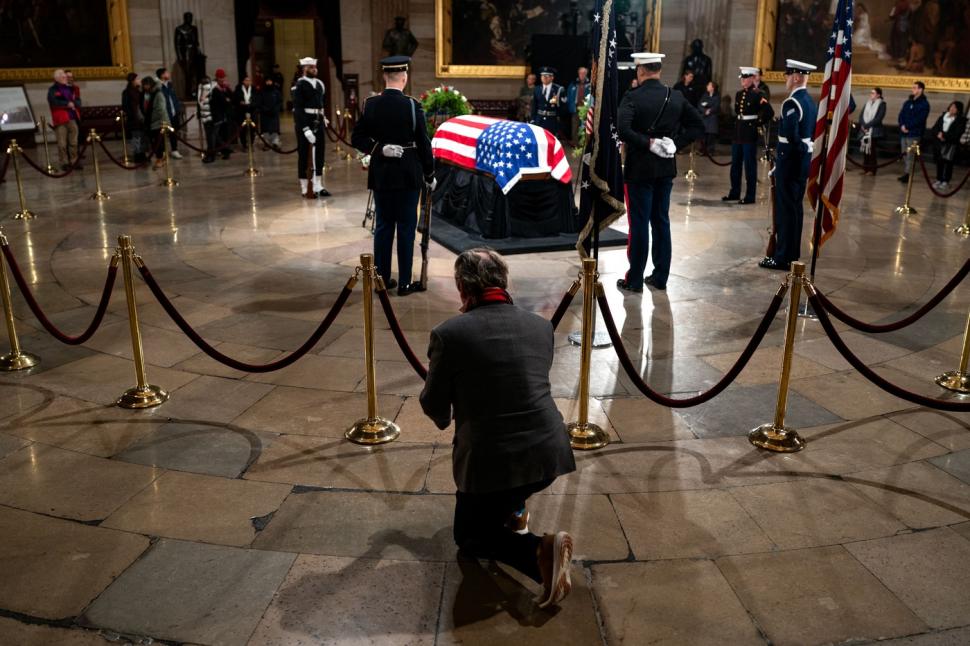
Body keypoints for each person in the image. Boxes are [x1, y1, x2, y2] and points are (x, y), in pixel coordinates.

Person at [419, 248, 576, 609]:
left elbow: (434, 404)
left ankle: (541, 551)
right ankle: (515, 508)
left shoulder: (449, 334)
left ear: (461, 287)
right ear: (505, 282)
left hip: (491, 462)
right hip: (548, 454)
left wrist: (447, 413)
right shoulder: (540, 326)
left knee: (469, 538)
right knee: (504, 489)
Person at [616, 52, 704, 293]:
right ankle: (660, 276)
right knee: (661, 222)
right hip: (665, 168)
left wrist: (647, 143)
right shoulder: (675, 96)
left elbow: (623, 129)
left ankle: (634, 279)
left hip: (639, 169)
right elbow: (698, 125)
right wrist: (675, 143)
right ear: (659, 70)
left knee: (639, 224)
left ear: (640, 70)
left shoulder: (632, 97)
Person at [351, 55, 434, 295]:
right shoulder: (412, 105)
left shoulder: (371, 104)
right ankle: (405, 283)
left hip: (382, 174)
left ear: (384, 76)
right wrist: (430, 173)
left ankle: (382, 280)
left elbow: (357, 138)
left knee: (384, 226)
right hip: (409, 174)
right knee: (407, 228)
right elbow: (423, 143)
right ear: (404, 77)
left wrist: (379, 149)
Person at [759, 60, 818, 271]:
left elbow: (792, 138)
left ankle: (782, 257)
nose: (785, 79)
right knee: (794, 210)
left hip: (791, 163)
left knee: (785, 211)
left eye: (787, 75)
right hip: (801, 163)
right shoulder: (810, 101)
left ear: (796, 77)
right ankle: (791, 254)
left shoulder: (792, 103)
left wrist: (781, 164)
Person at [723, 66, 773, 205]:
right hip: (738, 132)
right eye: (742, 78)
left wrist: (758, 123)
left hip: (749, 133)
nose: (743, 81)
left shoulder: (759, 94)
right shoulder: (739, 94)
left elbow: (769, 112)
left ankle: (750, 196)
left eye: (745, 78)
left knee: (749, 165)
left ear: (752, 78)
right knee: (735, 165)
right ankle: (734, 192)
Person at [292, 56, 330, 198]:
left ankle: (318, 184)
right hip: (305, 121)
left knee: (319, 153)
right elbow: (298, 109)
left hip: (318, 120)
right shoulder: (299, 85)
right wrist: (305, 128)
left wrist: (323, 117)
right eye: (311, 67)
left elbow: (322, 103)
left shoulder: (320, 84)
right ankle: (304, 186)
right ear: (304, 69)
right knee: (304, 154)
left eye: (315, 67)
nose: (314, 69)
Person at [47, 69, 81, 170]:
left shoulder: (72, 88)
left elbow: (78, 101)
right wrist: (67, 104)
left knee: (74, 142)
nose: (66, 77)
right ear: (57, 78)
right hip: (60, 119)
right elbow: (53, 102)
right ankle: (64, 162)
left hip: (72, 118)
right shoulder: (53, 90)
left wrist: (75, 104)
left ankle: (74, 161)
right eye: (63, 76)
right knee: (62, 143)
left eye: (65, 76)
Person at [929, 101, 966, 190]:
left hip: (950, 144)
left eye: (955, 107)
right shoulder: (942, 117)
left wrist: (944, 136)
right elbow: (935, 128)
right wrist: (938, 134)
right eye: (951, 106)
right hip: (939, 143)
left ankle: (946, 181)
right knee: (939, 162)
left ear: (958, 110)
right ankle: (939, 179)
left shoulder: (961, 120)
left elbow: (958, 132)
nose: (952, 109)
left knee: (948, 163)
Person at [897, 80, 930, 183]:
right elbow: (901, 114)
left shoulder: (924, 104)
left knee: (911, 155)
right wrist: (902, 125)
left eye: (915, 88)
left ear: (921, 90)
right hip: (904, 132)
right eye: (913, 87)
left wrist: (908, 126)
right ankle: (906, 172)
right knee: (904, 153)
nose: (913, 89)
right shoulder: (908, 102)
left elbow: (920, 119)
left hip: (914, 133)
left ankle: (908, 174)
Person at [141, 76, 169, 170]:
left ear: (150, 84)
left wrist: (164, 122)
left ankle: (160, 159)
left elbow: (160, 109)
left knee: (158, 143)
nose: (145, 87)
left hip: (158, 122)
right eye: (144, 85)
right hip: (149, 122)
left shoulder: (158, 94)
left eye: (146, 84)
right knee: (154, 142)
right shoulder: (146, 94)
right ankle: (161, 157)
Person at [858, 87, 886, 175]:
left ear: (878, 95)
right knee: (865, 150)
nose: (871, 94)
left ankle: (872, 169)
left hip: (874, 130)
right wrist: (862, 124)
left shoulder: (882, 104)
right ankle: (865, 168)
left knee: (871, 150)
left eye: (873, 93)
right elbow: (861, 115)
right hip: (864, 130)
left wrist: (867, 125)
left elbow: (879, 118)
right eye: (871, 93)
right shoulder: (867, 103)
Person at [156, 68, 183, 159]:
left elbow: (173, 97)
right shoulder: (158, 86)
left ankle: (174, 150)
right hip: (165, 114)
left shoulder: (170, 85)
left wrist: (177, 108)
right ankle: (163, 152)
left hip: (173, 112)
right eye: (167, 73)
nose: (169, 74)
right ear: (162, 75)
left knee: (174, 132)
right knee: (162, 134)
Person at [530, 67, 565, 137]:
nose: (544, 78)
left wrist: (559, 120)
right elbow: (534, 105)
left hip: (552, 121)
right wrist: (533, 119)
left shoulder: (558, 89)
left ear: (552, 77)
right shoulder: (537, 89)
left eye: (547, 76)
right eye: (543, 76)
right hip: (539, 120)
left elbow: (562, 108)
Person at [121, 72, 147, 163]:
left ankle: (143, 154)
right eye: (137, 79)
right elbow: (125, 106)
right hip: (133, 118)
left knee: (142, 137)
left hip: (141, 117)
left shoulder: (139, 91)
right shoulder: (126, 92)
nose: (139, 80)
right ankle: (138, 156)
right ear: (132, 81)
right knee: (136, 137)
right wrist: (132, 115)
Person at [210, 69, 234, 160]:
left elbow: (232, 98)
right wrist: (227, 100)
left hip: (226, 115)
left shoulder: (225, 88)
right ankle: (224, 149)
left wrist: (228, 90)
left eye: (224, 77)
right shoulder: (215, 89)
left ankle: (226, 151)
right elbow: (223, 101)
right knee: (217, 134)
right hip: (218, 115)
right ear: (217, 78)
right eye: (221, 77)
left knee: (225, 134)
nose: (223, 79)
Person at [257, 77, 283, 150]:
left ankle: (275, 143)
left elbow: (280, 102)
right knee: (266, 130)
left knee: (274, 129)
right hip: (265, 114)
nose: (269, 83)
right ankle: (267, 144)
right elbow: (259, 102)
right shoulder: (262, 92)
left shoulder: (276, 92)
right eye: (267, 81)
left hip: (274, 114)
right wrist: (265, 109)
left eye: (270, 81)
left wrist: (276, 109)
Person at [567, 67, 589, 144]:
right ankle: (574, 142)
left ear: (586, 74)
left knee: (584, 126)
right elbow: (569, 96)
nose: (582, 75)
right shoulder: (573, 83)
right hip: (575, 107)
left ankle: (583, 143)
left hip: (585, 108)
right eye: (581, 73)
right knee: (575, 126)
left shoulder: (590, 84)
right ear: (578, 74)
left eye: (584, 73)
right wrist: (570, 105)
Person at [234, 75, 256, 150]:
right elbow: (236, 99)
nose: (248, 82)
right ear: (243, 81)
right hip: (241, 112)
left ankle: (251, 144)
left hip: (251, 112)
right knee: (242, 129)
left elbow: (257, 98)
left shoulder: (253, 89)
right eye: (246, 80)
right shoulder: (238, 89)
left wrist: (252, 103)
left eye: (249, 80)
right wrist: (240, 102)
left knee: (252, 129)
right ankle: (244, 144)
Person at [698, 80, 720, 154]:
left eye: (709, 85)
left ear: (713, 88)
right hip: (704, 117)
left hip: (712, 118)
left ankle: (710, 150)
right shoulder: (704, 95)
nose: (707, 86)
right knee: (703, 135)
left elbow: (716, 106)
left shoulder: (717, 96)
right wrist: (705, 111)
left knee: (711, 135)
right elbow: (700, 105)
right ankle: (702, 150)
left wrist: (709, 109)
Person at [197, 76, 215, 163]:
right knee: (210, 137)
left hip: (209, 116)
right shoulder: (202, 88)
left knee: (210, 137)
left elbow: (202, 100)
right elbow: (200, 102)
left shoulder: (207, 88)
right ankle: (211, 154)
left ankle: (211, 155)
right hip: (205, 116)